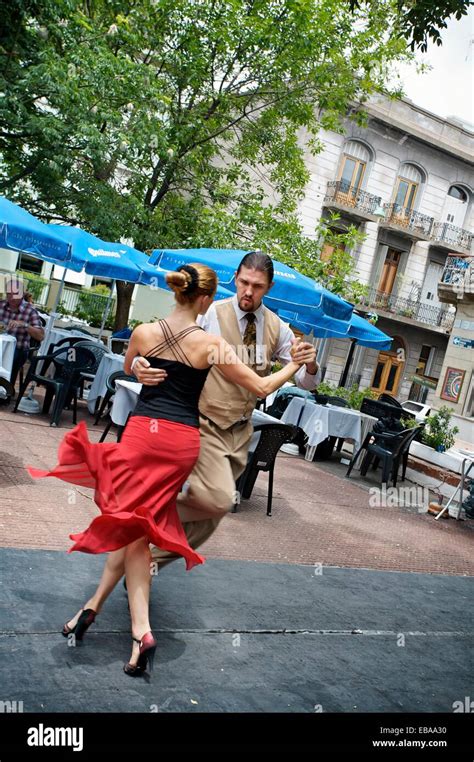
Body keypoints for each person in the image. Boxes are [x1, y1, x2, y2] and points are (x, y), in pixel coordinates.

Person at [27, 263, 304, 677]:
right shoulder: (211, 344)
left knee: (136, 523)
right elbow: (263, 388)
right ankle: (111, 617)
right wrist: (293, 365)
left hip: (141, 436)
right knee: (140, 526)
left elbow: (126, 367)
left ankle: (127, 623)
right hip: (181, 443)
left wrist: (137, 368)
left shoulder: (143, 331)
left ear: (176, 292)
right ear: (206, 299)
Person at [132, 251, 319, 571]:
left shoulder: (277, 327)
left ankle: (147, 558)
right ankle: (140, 531)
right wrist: (138, 364)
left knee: (211, 513)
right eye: (244, 282)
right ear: (235, 278)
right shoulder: (210, 314)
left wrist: (310, 362)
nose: (249, 291)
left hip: (238, 432)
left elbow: (306, 381)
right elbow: (165, 345)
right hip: (197, 421)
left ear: (269, 287)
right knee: (207, 500)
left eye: (257, 286)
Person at [0, 277, 44, 389]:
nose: (11, 297)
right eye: (9, 294)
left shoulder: (30, 310)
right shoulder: (1, 305)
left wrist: (24, 325)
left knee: (11, 358)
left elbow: (40, 336)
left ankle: (5, 391)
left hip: (18, 349)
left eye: (14, 294)